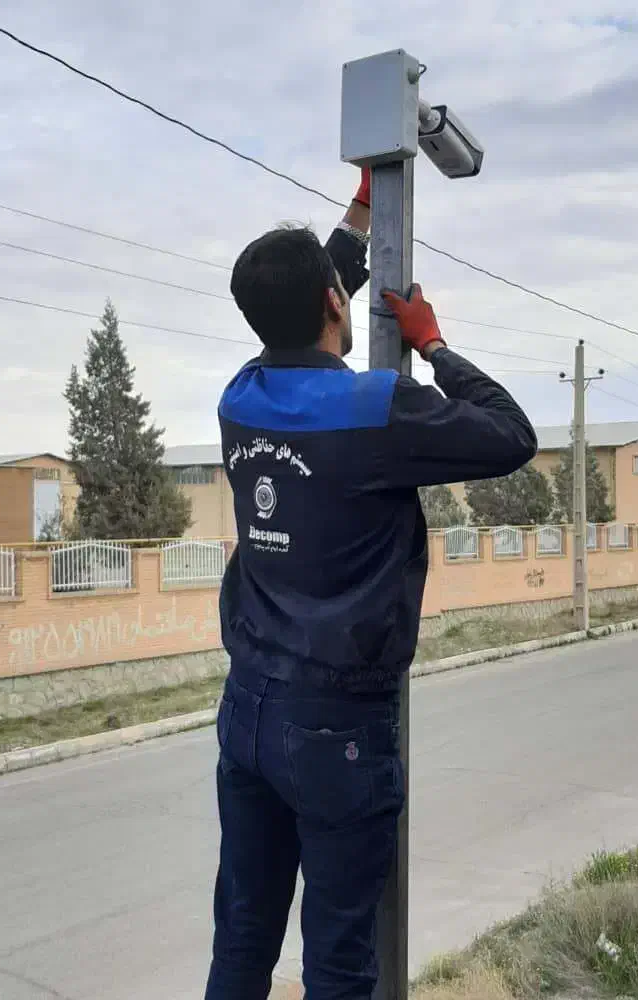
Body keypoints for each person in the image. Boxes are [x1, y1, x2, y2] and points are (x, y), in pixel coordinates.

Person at [204, 168, 537, 1000]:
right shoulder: (378, 409)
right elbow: (511, 435)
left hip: (246, 711)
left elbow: (304, 298)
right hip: (336, 730)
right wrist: (432, 344)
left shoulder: (241, 398)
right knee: (341, 965)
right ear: (334, 302)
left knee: (242, 940)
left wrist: (360, 208)